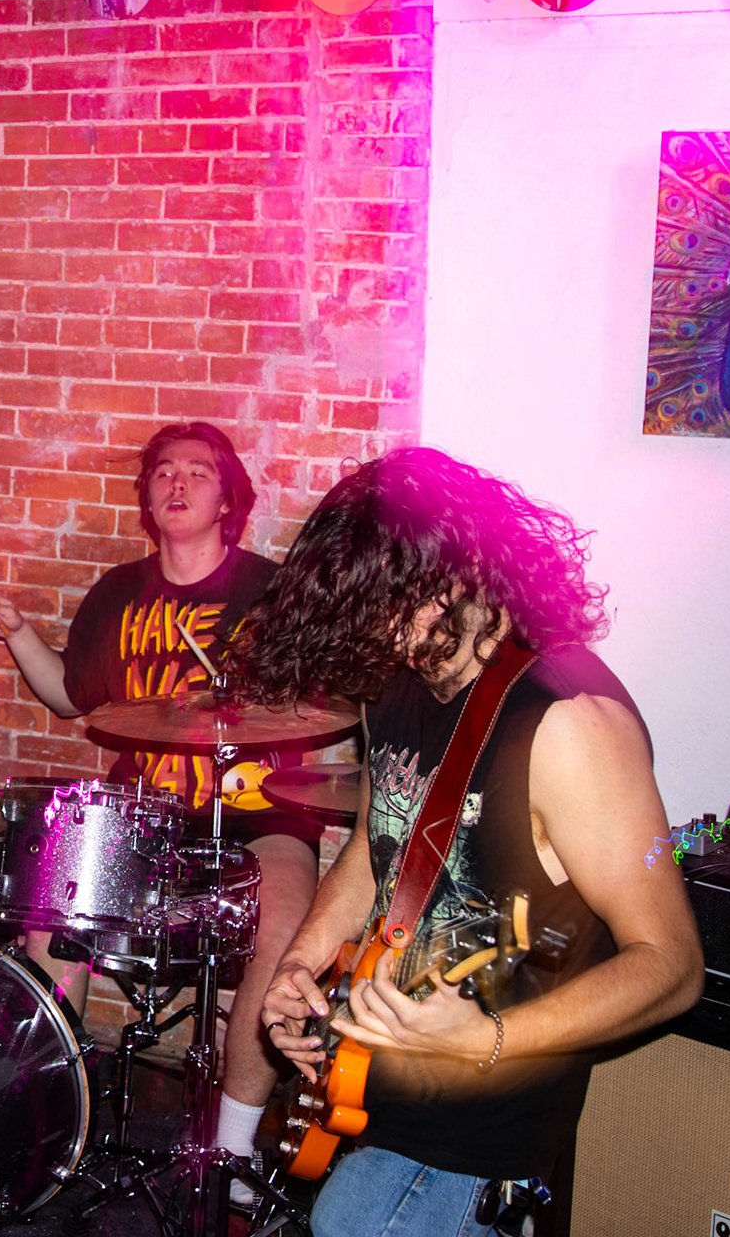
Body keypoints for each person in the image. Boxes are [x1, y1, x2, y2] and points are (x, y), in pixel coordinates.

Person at [243, 448, 704, 1236]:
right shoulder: (395, 679)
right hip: (379, 1082)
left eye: (399, 604)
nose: (386, 633)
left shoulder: (569, 725)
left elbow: (671, 965)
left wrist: (486, 1039)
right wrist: (302, 963)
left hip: (484, 1124)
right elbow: (380, 845)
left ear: (471, 565)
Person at [0, 420, 322, 1188]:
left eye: (199, 472)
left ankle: (232, 1153)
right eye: (164, 471)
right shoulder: (116, 595)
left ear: (228, 500)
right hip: (145, 814)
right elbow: (71, 695)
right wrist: (19, 632)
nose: (177, 483)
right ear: (147, 495)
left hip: (258, 814)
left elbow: (321, 702)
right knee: (53, 913)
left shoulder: (273, 594)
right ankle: (47, 1125)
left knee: (283, 933)